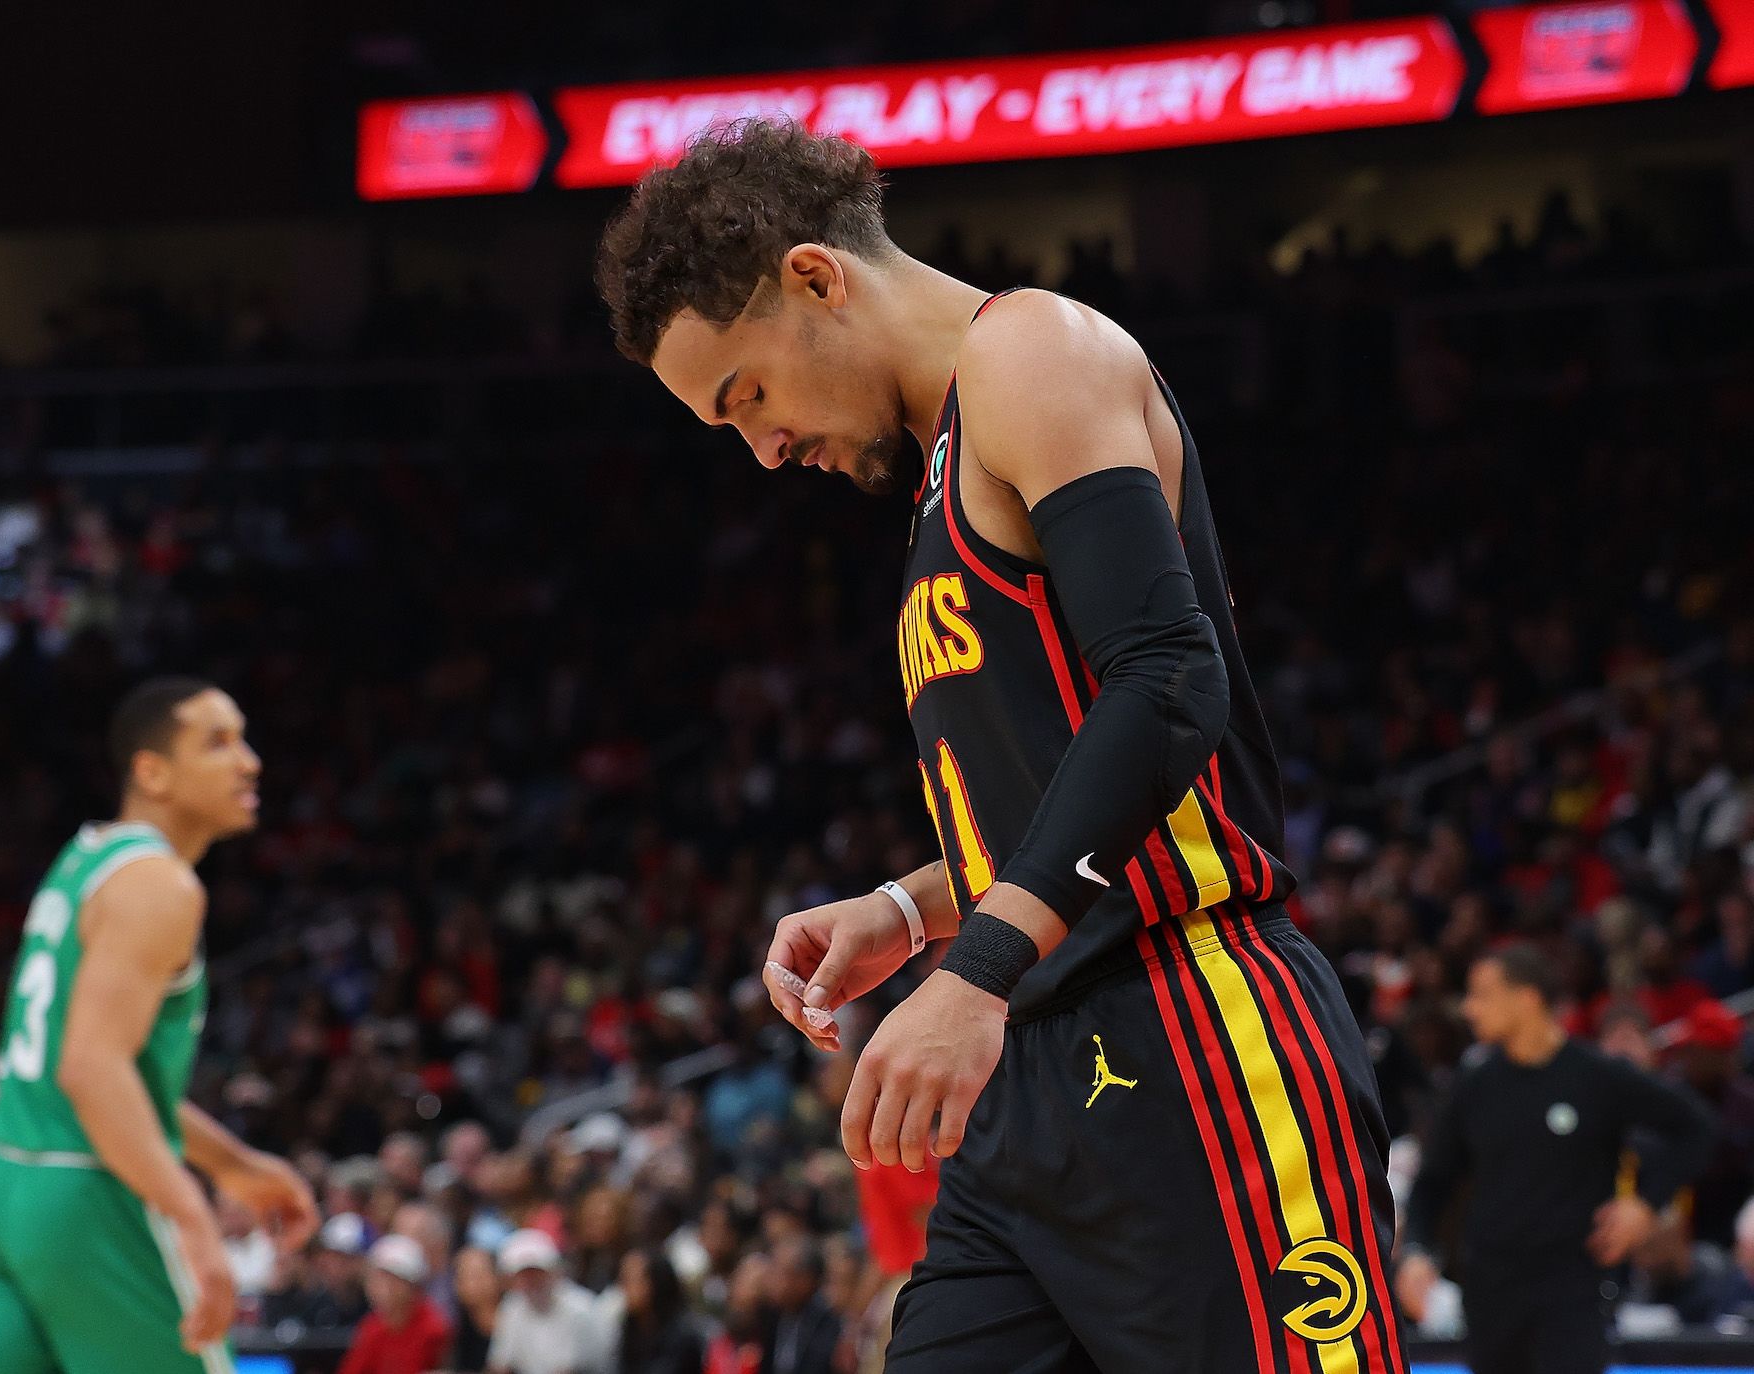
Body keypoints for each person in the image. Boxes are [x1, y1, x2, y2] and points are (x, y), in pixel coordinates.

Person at [596, 118, 1405, 1371]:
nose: (761, 449)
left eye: (746, 394)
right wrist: (912, 909)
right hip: (1032, 1073)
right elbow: (1069, 772)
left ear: (816, 277)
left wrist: (969, 968)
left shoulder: (1029, 351)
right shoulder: (939, 470)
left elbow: (1167, 683)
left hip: (1187, 1025)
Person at [0, 678, 319, 1374]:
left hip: (0, 1189)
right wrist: (192, 1216)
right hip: (87, 1199)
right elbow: (92, 1071)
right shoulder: (159, 885)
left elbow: (100, 1075)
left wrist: (234, 1166)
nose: (249, 761)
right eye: (218, 742)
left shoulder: (86, 858)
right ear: (152, 772)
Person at [1395, 946, 1716, 1374]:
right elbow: (1433, 1183)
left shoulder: (1597, 1076)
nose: (1469, 1009)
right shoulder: (1474, 1085)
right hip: (1491, 1289)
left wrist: (1644, 1204)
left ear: (1527, 998)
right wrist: (1417, 1250)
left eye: (1482, 995)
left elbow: (1695, 1126)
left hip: (1573, 1289)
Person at [488, 1227, 612, 1374]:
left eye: (536, 1273)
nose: (530, 1281)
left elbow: (570, 1370)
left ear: (553, 1271)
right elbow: (499, 1365)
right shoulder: (513, 1306)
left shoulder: (580, 1308)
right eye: (524, 1275)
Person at [337, 1234, 453, 1374]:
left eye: (393, 1281)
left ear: (413, 1286)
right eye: (377, 1280)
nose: (383, 1289)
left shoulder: (434, 1328)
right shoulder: (372, 1327)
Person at [616, 1247, 705, 1374]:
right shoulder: (630, 1327)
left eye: (630, 1280)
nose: (623, 1288)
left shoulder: (684, 1335)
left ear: (655, 1282)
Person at [762, 1236, 842, 1374]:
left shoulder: (829, 1323)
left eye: (779, 1272)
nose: (770, 1280)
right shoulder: (769, 1315)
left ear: (805, 1280)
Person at [448, 1244, 503, 1372]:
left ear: (498, 1277)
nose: (471, 1283)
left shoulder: (516, 1316)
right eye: (463, 1275)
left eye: (478, 1275)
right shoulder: (457, 1326)